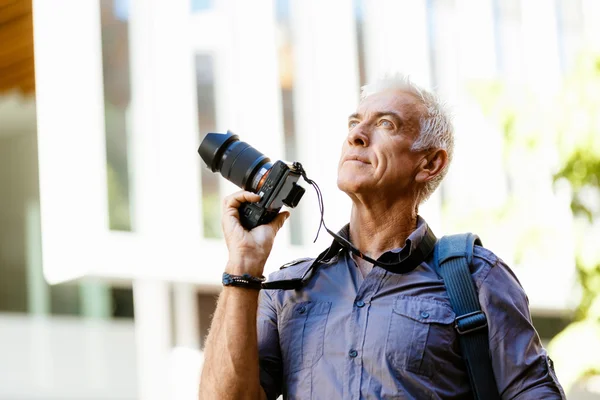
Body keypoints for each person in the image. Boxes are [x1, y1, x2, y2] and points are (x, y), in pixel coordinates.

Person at [198, 74, 566, 399]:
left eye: (386, 124)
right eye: (354, 124)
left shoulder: (476, 278)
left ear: (429, 163)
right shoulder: (286, 291)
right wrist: (242, 267)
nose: (357, 135)